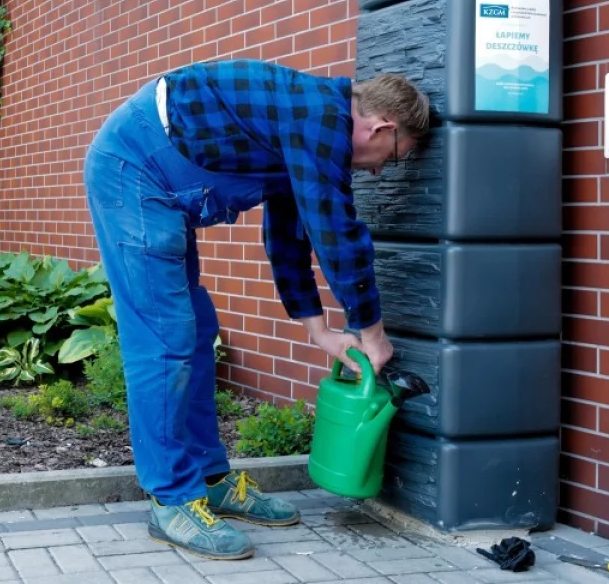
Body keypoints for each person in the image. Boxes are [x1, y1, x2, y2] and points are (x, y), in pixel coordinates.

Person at [82, 58, 430, 561]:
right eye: (392, 157)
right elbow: (338, 235)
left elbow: (290, 238)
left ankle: (211, 478)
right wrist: (371, 333)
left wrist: (320, 331)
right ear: (382, 127)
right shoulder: (319, 120)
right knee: (165, 340)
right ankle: (172, 498)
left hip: (157, 182)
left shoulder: (306, 130)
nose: (379, 169)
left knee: (198, 330)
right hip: (133, 170)